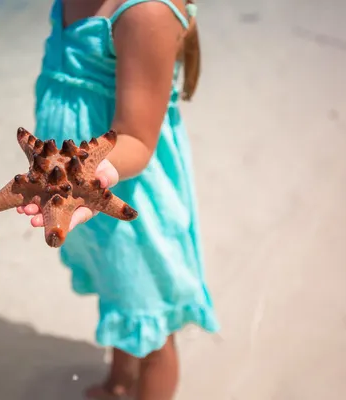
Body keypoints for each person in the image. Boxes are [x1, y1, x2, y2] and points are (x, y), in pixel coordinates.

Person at [17, 0, 219, 398]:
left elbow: (139, 139)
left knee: (152, 321)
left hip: (134, 204)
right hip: (83, 202)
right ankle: (119, 384)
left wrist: (86, 177)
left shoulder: (146, 12)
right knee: (121, 291)